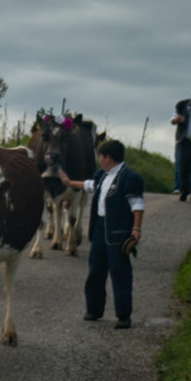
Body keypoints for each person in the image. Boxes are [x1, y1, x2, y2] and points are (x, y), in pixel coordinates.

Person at [79, 138, 147, 328]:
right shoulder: (102, 175)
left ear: (108, 157)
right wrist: (68, 182)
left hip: (119, 230)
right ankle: (94, 309)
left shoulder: (130, 178)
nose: (100, 159)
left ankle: (123, 315)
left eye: (101, 156)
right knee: (95, 269)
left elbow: (137, 205)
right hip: (100, 227)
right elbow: (90, 185)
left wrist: (136, 229)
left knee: (119, 272)